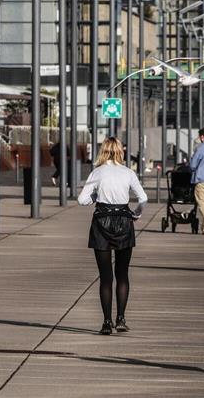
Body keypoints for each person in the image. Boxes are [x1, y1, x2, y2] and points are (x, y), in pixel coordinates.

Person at [78, 137, 147, 335]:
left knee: (106, 276)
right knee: (122, 274)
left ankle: (106, 321)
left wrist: (94, 197)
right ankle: (121, 319)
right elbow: (143, 198)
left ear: (103, 151)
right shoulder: (128, 173)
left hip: (102, 223)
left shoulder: (97, 172)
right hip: (124, 222)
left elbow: (82, 199)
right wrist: (136, 213)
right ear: (120, 151)